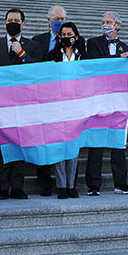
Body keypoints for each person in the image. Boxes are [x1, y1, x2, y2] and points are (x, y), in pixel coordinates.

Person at [0, 8, 37, 200]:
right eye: (9, 20)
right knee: (2, 144)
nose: (12, 22)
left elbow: (35, 70)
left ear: (23, 24)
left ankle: (17, 186)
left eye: (16, 20)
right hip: (2, 103)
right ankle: (2, 186)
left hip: (24, 103)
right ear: (4, 23)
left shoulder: (32, 45)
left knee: (20, 144)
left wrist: (22, 53)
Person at [83, 11, 128, 196]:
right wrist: (119, 60)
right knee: (96, 143)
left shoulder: (126, 48)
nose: (105, 24)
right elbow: (95, 64)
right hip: (98, 99)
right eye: (103, 21)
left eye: (109, 22)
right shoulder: (94, 43)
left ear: (117, 25)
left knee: (118, 142)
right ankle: (93, 185)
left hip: (118, 101)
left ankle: (121, 183)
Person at [29, 5, 68, 196]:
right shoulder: (37, 41)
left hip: (65, 98)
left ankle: (66, 182)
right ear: (48, 20)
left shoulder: (74, 41)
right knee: (43, 140)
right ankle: (44, 180)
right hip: (43, 98)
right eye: (57, 19)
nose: (60, 22)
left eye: (63, 19)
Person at [48, 21, 87, 198]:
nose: (66, 38)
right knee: (58, 145)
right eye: (63, 35)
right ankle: (61, 185)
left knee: (73, 146)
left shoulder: (85, 56)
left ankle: (71, 185)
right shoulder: (52, 55)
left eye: (69, 34)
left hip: (78, 106)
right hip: (57, 105)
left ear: (76, 36)